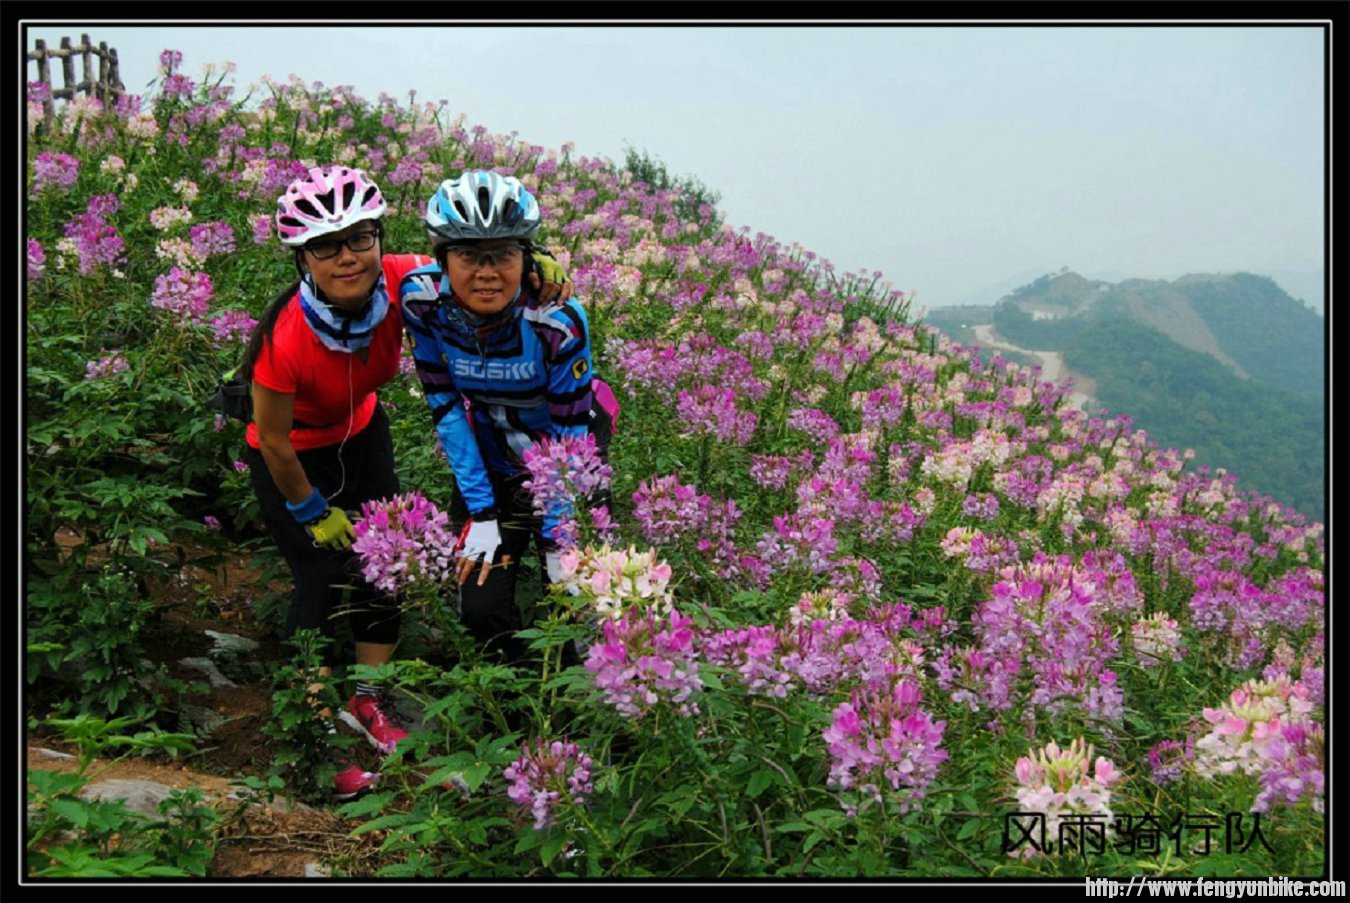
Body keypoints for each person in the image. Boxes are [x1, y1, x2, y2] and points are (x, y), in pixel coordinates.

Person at [241, 165, 571, 800]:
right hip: (292, 457)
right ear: (303, 257)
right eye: (326, 246)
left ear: (378, 237)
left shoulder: (403, 277)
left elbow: (476, 260)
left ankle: (367, 702)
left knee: (386, 566)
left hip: (362, 434)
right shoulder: (283, 337)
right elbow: (274, 440)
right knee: (319, 579)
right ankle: (316, 734)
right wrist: (311, 509)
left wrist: (539, 262)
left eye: (360, 238)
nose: (347, 257)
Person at [400, 170, 618, 668]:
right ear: (442, 260)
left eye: (502, 255)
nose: (486, 272)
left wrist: (560, 532)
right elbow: (446, 408)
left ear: (527, 258)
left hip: (568, 455)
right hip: (488, 451)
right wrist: (481, 513)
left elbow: (570, 436)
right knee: (479, 609)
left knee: (576, 605)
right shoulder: (422, 303)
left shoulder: (557, 322)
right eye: (468, 256)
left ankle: (576, 710)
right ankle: (512, 695)